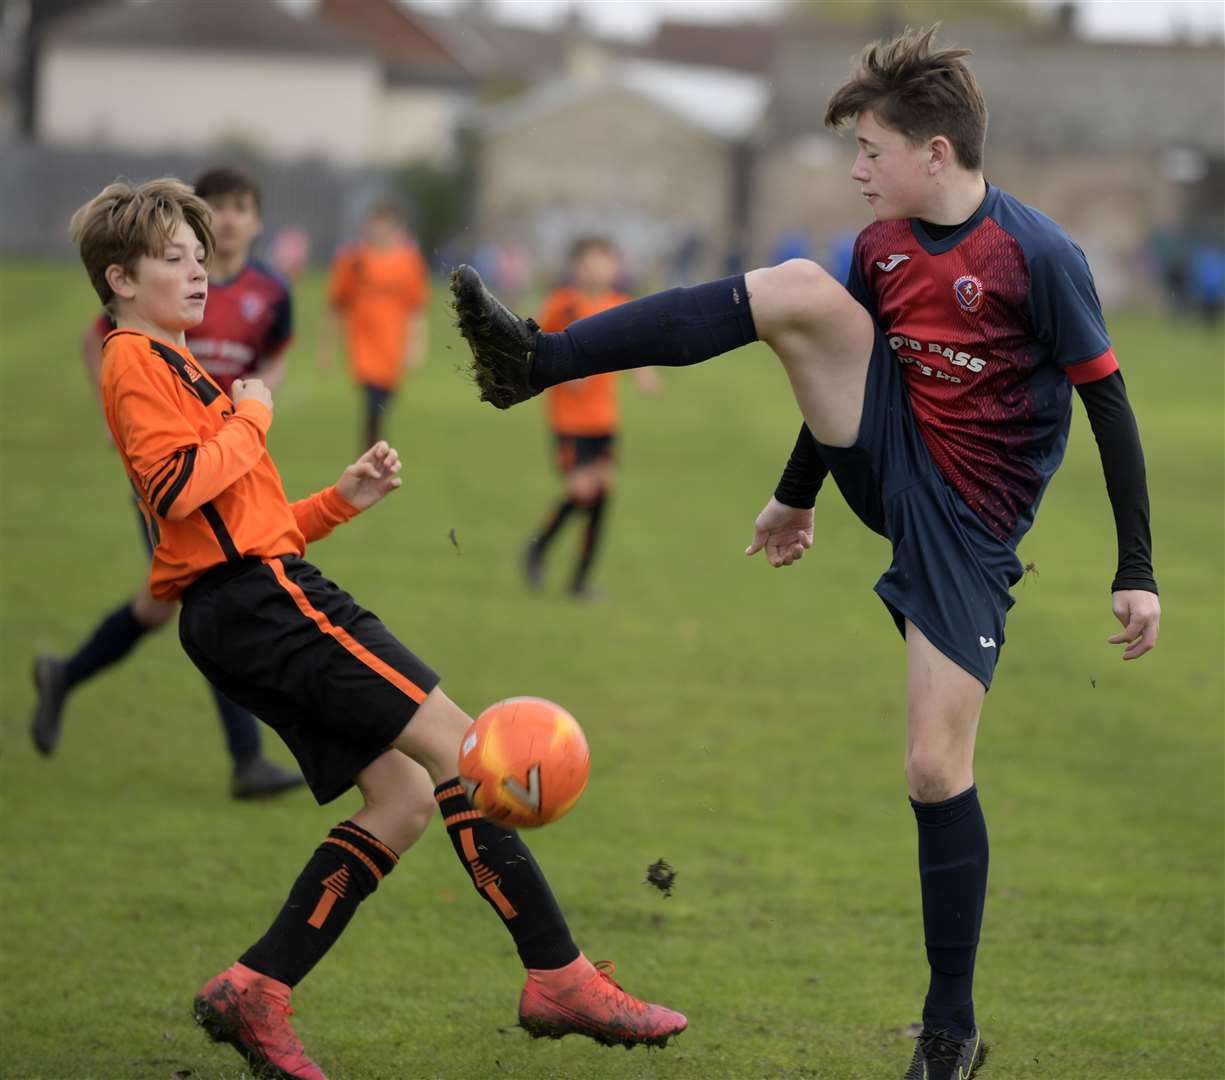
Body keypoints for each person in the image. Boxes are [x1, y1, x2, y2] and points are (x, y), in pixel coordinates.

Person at [451, 27, 1160, 1080]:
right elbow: (841, 368)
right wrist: (796, 494)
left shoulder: (1037, 255)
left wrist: (1136, 569)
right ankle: (534, 361)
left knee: (932, 768)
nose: (857, 170)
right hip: (887, 461)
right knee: (792, 290)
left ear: (935, 152)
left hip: (968, 524)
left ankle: (950, 1029)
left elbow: (1107, 402)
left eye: (871, 149)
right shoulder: (875, 249)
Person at [69, 177, 686, 1080]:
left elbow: (242, 519)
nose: (199, 272)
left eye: (202, 257)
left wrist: (336, 501)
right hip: (262, 603)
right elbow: (173, 489)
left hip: (244, 598)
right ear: (120, 278)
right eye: (175, 259)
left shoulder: (174, 361)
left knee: (399, 802)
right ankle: (559, 977)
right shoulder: (134, 359)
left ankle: (256, 990)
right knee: (467, 752)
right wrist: (253, 412)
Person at [33, 165, 300, 799]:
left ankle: (64, 675)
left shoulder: (267, 291)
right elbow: (99, 341)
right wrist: (123, 418)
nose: (230, 218)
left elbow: (276, 352)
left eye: (242, 208)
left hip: (225, 452)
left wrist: (252, 406)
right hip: (175, 466)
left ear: (256, 222)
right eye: (221, 206)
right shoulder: (153, 293)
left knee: (167, 602)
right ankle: (247, 759)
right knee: (211, 589)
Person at [525, 236, 660, 599]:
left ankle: (579, 581)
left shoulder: (620, 305)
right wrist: (559, 372)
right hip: (569, 420)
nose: (600, 268)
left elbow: (637, 346)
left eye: (607, 260)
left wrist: (643, 374)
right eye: (592, 261)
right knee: (582, 490)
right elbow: (533, 343)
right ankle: (537, 548)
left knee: (601, 496)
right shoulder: (563, 304)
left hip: (604, 419)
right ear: (577, 267)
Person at [320, 201, 430, 451]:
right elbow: (336, 306)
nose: (379, 231)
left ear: (396, 228)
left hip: (392, 346)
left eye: (385, 226)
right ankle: (372, 449)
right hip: (362, 345)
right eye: (375, 225)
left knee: (383, 401)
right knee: (373, 401)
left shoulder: (408, 262)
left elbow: (417, 308)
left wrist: (416, 346)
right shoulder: (353, 261)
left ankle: (374, 448)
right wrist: (326, 349)